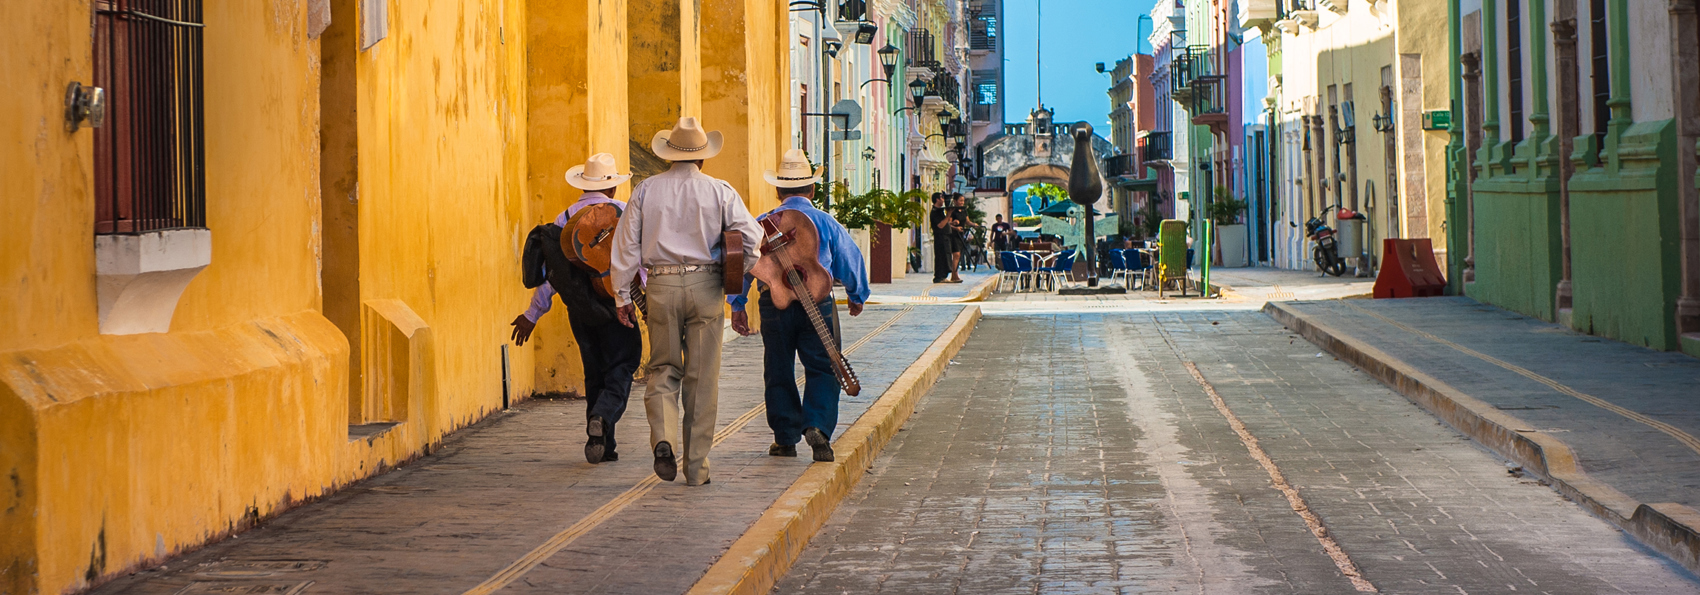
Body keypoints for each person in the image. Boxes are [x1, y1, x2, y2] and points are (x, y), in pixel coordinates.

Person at [610, 117, 763, 486]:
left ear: (669, 155)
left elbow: (625, 246)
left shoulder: (646, 190)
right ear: (702, 158)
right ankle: (696, 468)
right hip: (706, 285)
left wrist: (621, 294)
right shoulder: (720, 190)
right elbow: (752, 238)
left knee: (663, 369)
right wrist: (741, 271)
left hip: (660, 285)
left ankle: (664, 438)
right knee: (702, 377)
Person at [729, 149, 869, 462]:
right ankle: (817, 426)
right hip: (817, 302)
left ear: (778, 191)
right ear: (813, 189)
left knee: (778, 368)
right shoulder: (825, 221)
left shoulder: (761, 224)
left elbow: (744, 264)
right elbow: (850, 259)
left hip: (773, 304)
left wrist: (737, 305)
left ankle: (785, 438)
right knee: (823, 366)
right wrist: (857, 295)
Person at [511, 153, 640, 465]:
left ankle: (602, 443)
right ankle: (603, 415)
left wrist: (531, 315)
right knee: (623, 365)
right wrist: (645, 301)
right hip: (616, 303)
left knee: (594, 373)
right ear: (612, 187)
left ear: (584, 185)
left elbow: (554, 277)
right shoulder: (622, 212)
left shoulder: (563, 219)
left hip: (580, 310)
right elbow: (640, 262)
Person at [929, 193, 956, 283]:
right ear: (937, 199)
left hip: (945, 236)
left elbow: (944, 223)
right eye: (942, 198)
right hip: (940, 237)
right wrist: (948, 215)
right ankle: (939, 276)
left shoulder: (940, 211)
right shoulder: (935, 212)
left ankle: (943, 275)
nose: (943, 200)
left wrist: (951, 223)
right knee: (941, 256)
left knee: (946, 256)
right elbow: (940, 225)